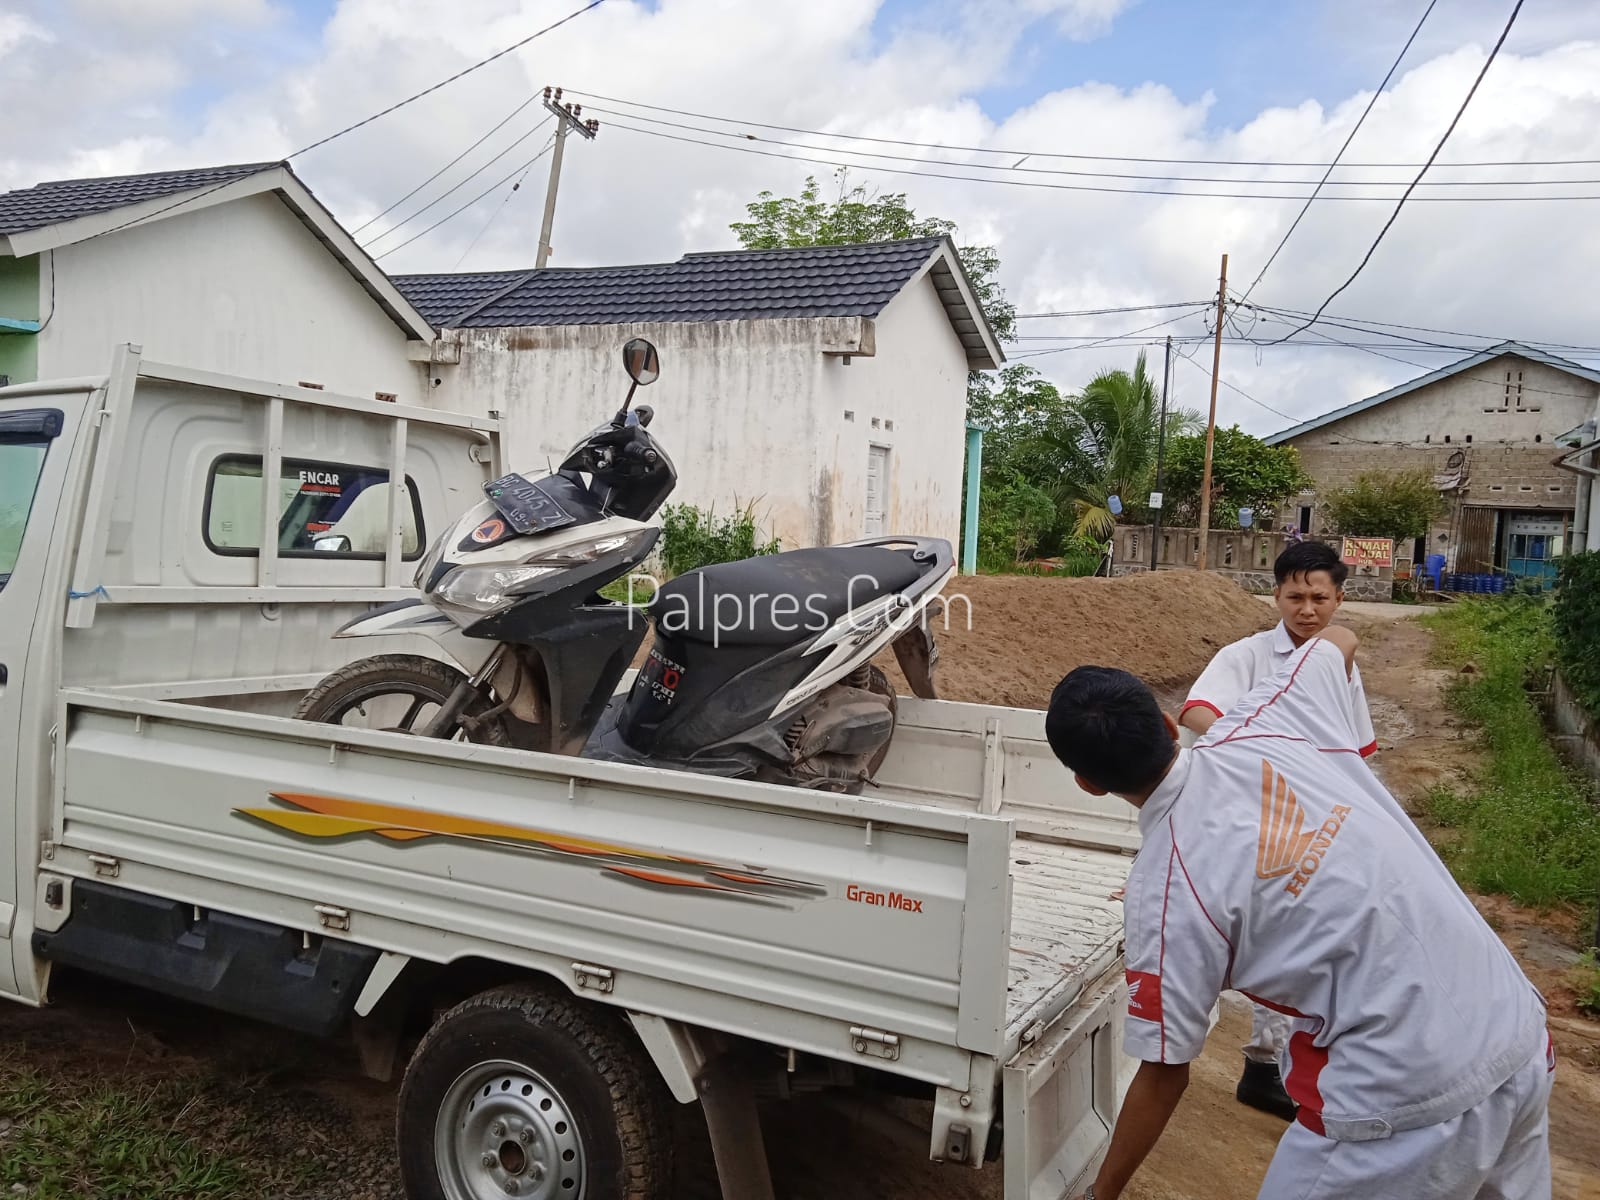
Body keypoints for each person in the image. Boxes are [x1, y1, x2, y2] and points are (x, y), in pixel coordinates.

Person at [1047, 629, 1553, 1200]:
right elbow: (1339, 639)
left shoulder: (1166, 891)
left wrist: (1102, 1193)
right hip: (1515, 1032)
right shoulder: (1271, 716)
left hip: (1402, 1104)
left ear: (1087, 785)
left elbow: (1165, 1070)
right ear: (1168, 725)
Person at [1178, 540, 1377, 1121]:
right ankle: (1169, 1049)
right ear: (1278, 596)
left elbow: (1357, 749)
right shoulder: (1247, 656)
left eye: (1319, 597)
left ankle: (1265, 1067)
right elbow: (1196, 712)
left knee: (1288, 944)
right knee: (1215, 936)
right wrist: (1265, 750)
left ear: (1340, 598)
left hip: (1305, 829)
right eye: (1296, 596)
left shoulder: (1341, 667)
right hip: (1238, 819)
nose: (1307, 608)